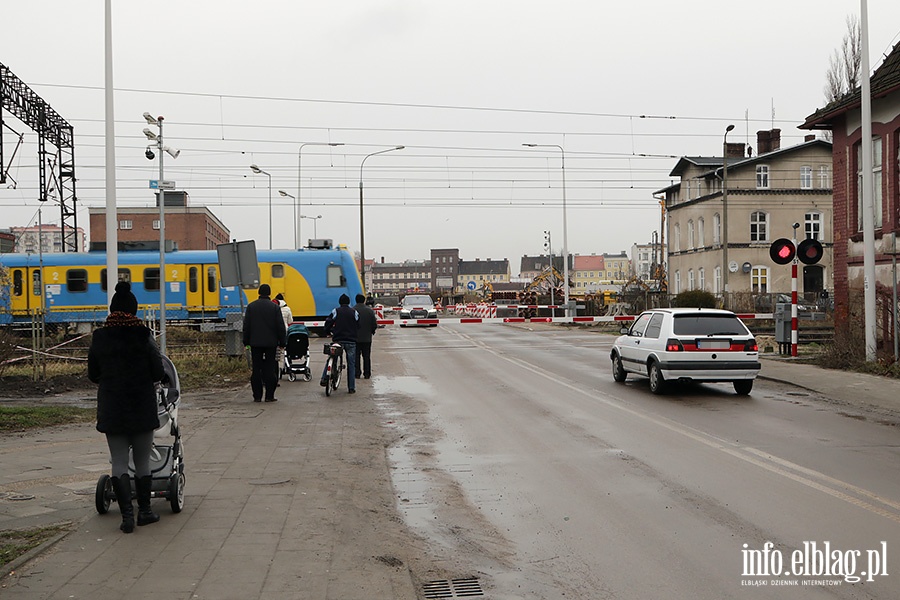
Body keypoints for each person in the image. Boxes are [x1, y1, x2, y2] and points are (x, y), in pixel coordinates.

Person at [88, 281, 166, 534]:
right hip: (141, 405)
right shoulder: (144, 336)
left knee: (119, 462)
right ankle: (145, 512)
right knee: (142, 462)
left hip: (113, 406)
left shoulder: (100, 338)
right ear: (134, 310)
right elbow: (158, 371)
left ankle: (126, 518)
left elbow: (93, 374)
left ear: (111, 310)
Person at [242, 283, 286, 402]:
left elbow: (246, 326)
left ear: (259, 293)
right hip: (271, 344)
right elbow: (280, 326)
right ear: (269, 293)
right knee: (270, 369)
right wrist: (282, 342)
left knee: (256, 369)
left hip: (255, 343)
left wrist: (246, 341)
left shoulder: (251, 307)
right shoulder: (275, 307)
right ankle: (269, 396)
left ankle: (257, 396)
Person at [322, 293, 359, 393]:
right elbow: (358, 324)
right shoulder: (354, 312)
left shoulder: (336, 311)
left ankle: (324, 378)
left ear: (340, 302)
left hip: (338, 340)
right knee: (351, 364)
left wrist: (327, 331)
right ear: (348, 302)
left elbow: (328, 322)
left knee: (331, 357)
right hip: (351, 341)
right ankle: (351, 388)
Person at [353, 293, 378, 379]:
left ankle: (357, 373)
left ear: (356, 300)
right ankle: (367, 373)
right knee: (366, 357)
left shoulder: (352, 310)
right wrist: (372, 331)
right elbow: (374, 324)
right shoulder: (369, 311)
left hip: (355, 338)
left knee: (356, 357)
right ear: (364, 300)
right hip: (367, 338)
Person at [274, 293, 293, 369]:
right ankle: (288, 363)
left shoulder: (274, 307)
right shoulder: (287, 309)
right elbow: (290, 321)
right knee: (286, 348)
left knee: (276, 350)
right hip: (285, 330)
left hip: (276, 331)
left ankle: (276, 366)